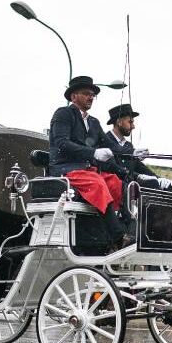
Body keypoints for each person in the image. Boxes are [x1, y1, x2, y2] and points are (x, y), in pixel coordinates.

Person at [49, 76, 126, 249]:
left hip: (85, 171)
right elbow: (62, 143)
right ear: (73, 96)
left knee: (114, 182)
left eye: (92, 95)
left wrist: (133, 153)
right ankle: (117, 235)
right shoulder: (63, 114)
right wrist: (93, 152)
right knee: (97, 182)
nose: (91, 97)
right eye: (86, 94)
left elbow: (111, 146)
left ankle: (111, 231)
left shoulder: (93, 122)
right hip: (65, 169)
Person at [105, 103, 172, 191]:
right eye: (130, 122)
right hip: (117, 186)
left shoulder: (128, 145)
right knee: (152, 184)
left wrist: (158, 178)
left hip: (131, 182)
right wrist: (139, 176)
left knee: (167, 186)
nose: (133, 126)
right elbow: (113, 168)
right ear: (119, 122)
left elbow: (139, 166)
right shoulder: (106, 141)